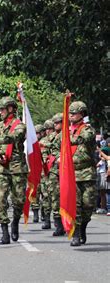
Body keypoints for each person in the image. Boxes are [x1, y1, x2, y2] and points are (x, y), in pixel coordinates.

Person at [0, 96, 27, 245]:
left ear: (11, 109)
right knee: (1, 200)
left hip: (17, 166)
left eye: (2, 109)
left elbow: (15, 137)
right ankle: (4, 233)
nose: (0, 112)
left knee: (19, 200)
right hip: (1, 168)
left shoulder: (20, 125)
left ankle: (15, 221)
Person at [68, 101, 97, 246]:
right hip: (72, 173)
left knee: (88, 205)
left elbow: (82, 139)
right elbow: (56, 147)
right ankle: (76, 232)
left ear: (82, 114)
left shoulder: (88, 129)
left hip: (87, 172)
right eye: (70, 113)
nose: (71, 116)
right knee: (75, 205)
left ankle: (83, 226)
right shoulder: (66, 132)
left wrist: (67, 140)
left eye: (74, 113)